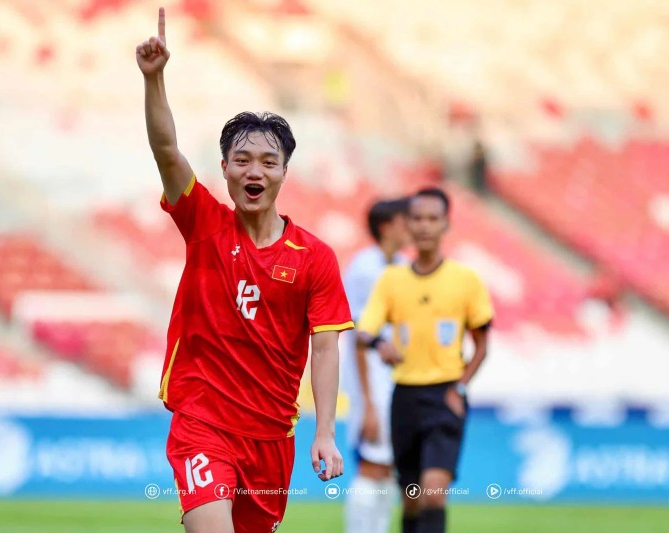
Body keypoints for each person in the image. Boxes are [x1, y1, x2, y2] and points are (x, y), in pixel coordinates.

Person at [136, 8, 354, 533]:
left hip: (272, 439)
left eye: (267, 161)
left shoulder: (315, 257)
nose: (254, 170)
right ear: (226, 168)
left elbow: (325, 347)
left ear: (283, 172)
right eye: (242, 159)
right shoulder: (204, 223)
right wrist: (155, 77)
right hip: (204, 423)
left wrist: (324, 431)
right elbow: (167, 150)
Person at [356, 187, 493, 533]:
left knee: (433, 491)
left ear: (446, 225)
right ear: (409, 225)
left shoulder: (465, 280)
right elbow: (363, 330)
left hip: (444, 395)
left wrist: (459, 388)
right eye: (417, 218)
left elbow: (481, 345)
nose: (425, 226)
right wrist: (379, 343)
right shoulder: (391, 280)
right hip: (404, 396)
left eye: (433, 219)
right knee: (413, 496)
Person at [341, 198, 411, 533]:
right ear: (386, 226)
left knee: (389, 468)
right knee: (372, 465)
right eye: (404, 219)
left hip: (396, 381)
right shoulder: (365, 268)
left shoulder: (401, 265)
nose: (411, 226)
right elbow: (357, 335)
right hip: (373, 384)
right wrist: (367, 403)